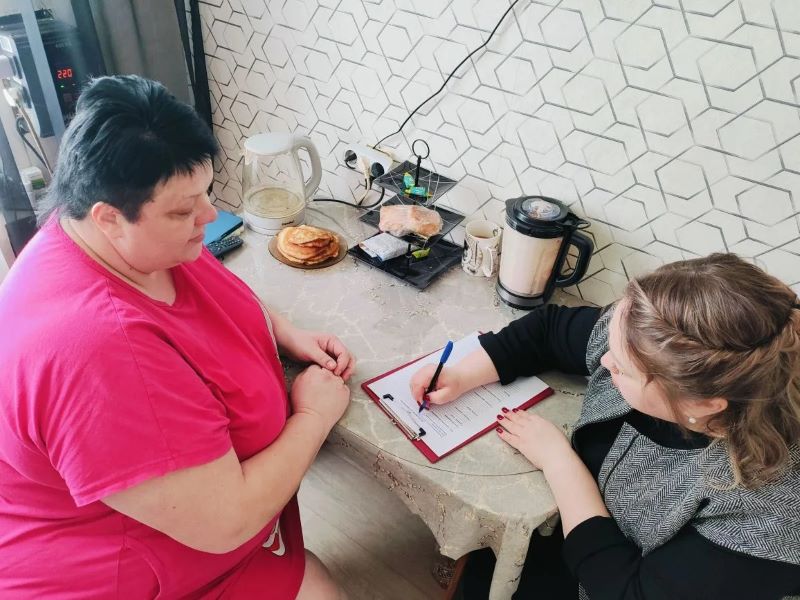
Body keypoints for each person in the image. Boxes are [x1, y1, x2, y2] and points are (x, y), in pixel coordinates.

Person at [0, 75, 355, 599]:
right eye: (183, 210)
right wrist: (313, 417)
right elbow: (226, 521)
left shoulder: (110, 237)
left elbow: (215, 291)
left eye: (205, 193)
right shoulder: (100, 352)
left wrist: (282, 331)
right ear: (109, 218)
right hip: (122, 573)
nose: (209, 216)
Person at [410, 254, 800, 599]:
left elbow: (623, 590)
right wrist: (463, 374)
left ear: (701, 404)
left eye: (623, 368)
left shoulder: (770, 514)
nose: (604, 360)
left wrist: (559, 462)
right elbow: (549, 330)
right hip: (573, 534)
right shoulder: (647, 334)